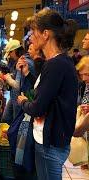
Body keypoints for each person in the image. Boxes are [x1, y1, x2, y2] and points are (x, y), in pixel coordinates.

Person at [17, 8, 78, 180]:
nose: (30, 36)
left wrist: (22, 102)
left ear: (45, 34)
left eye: (33, 31)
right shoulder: (58, 62)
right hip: (54, 141)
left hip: (50, 144)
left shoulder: (56, 65)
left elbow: (38, 107)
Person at [1, 39, 34, 124]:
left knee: (21, 125)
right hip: (18, 98)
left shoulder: (23, 62)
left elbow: (18, 85)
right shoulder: (24, 61)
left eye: (31, 49)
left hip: (24, 100)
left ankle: (16, 136)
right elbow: (22, 78)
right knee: (7, 119)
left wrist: (8, 78)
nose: (10, 56)